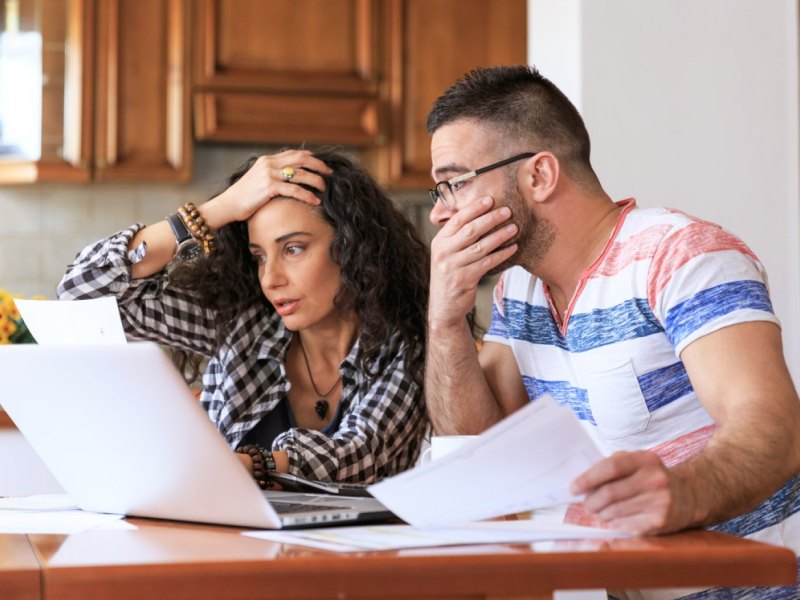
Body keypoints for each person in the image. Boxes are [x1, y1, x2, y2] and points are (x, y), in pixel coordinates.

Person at [423, 64, 800, 598]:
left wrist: (683, 492)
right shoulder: (518, 291)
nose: (442, 214)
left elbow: (776, 430)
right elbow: (486, 455)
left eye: (454, 184)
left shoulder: (682, 255)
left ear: (539, 175)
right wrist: (444, 321)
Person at [58, 148, 429, 486]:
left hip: (365, 556)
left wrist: (248, 465)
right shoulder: (244, 328)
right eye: (259, 256)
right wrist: (217, 210)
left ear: (352, 247)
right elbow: (80, 294)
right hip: (232, 551)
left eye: (294, 249)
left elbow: (359, 455)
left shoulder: (408, 345)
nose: (271, 278)